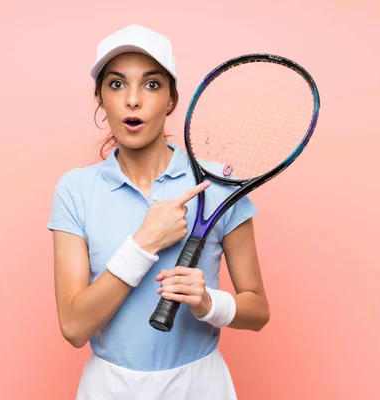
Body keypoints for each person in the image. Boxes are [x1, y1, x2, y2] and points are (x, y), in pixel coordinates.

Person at [47, 24, 270, 400]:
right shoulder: (75, 190)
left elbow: (258, 310)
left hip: (200, 385)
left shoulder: (217, 187)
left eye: (151, 84)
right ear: (100, 98)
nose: (133, 100)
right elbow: (74, 327)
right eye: (117, 84)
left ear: (170, 100)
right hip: (108, 387)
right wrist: (144, 243)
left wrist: (209, 303)